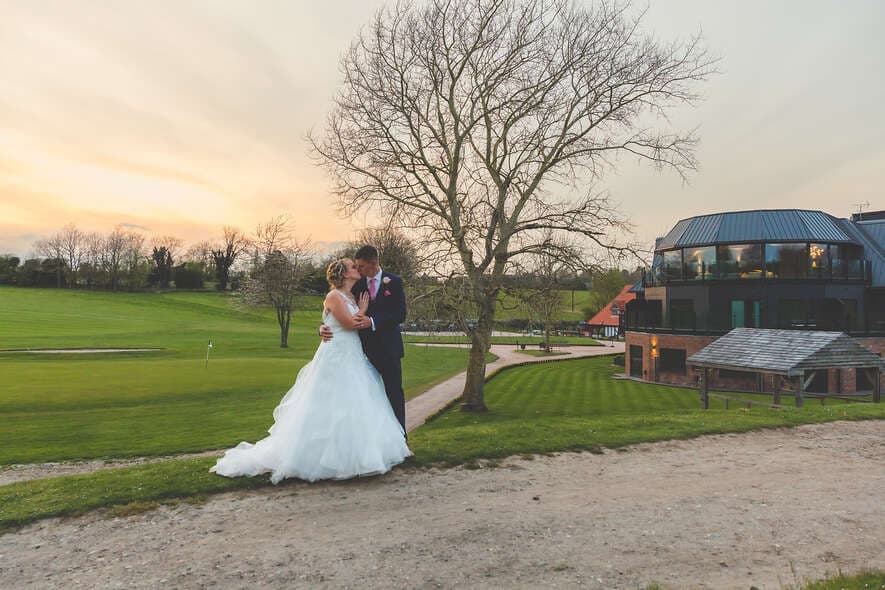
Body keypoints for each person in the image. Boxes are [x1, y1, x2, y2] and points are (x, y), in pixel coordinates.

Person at [210, 258, 411, 483]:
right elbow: (347, 324)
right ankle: (318, 457)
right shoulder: (334, 296)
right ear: (344, 274)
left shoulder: (353, 295)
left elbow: (331, 320)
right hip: (336, 356)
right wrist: (361, 311)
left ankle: (356, 453)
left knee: (354, 403)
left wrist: (327, 324)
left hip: (353, 354)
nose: (357, 268)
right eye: (353, 266)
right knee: (329, 403)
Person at [320, 245, 408, 433]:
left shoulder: (393, 281)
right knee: (367, 397)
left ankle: (401, 440)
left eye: (360, 266)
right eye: (355, 267)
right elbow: (334, 313)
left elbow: (400, 314)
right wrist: (322, 328)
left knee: (394, 393)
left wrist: (373, 321)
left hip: (389, 349)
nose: (358, 270)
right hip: (363, 351)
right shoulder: (356, 285)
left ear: (373, 263)